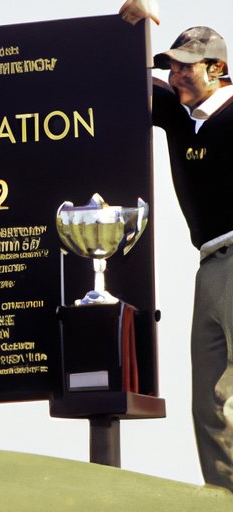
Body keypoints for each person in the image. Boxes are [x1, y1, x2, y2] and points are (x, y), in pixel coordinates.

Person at [120, 0, 233, 491]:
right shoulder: (179, 115)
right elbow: (121, 75)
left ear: (217, 68)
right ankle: (224, 497)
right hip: (208, 265)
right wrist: (133, 23)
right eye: (172, 66)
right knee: (209, 401)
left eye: (187, 66)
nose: (177, 75)